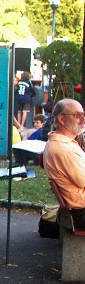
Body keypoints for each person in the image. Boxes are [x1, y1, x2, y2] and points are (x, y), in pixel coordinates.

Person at [43, 98, 85, 229]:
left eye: (83, 114)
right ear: (61, 119)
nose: (82, 119)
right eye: (77, 115)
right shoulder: (63, 149)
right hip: (80, 212)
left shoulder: (64, 143)